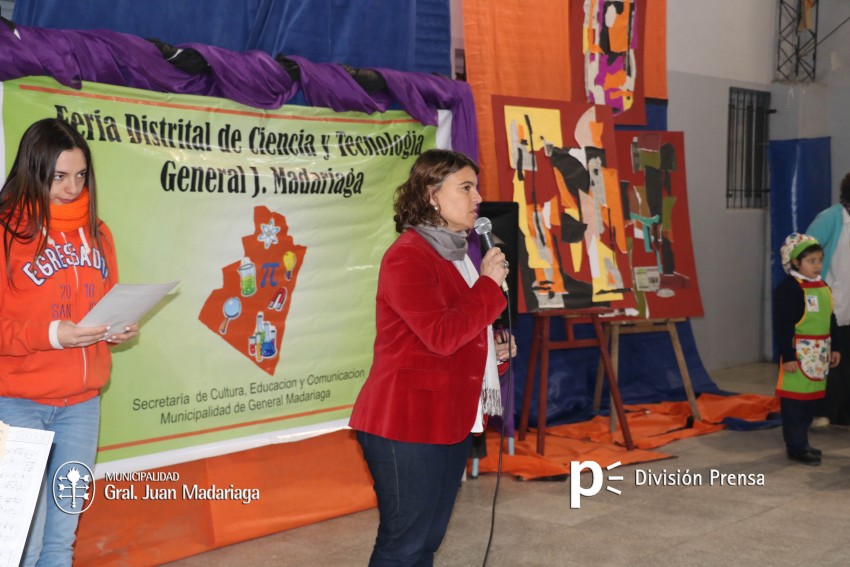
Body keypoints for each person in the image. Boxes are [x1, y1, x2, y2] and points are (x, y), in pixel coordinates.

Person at [349, 149, 515, 566]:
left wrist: (493, 352)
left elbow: (458, 335)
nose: (478, 197)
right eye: (466, 187)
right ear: (431, 195)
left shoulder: (459, 256)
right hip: (405, 424)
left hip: (448, 421)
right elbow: (441, 336)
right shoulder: (408, 255)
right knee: (403, 546)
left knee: (428, 541)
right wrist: (491, 287)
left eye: (476, 186)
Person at [0, 118, 138, 566]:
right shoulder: (5, 233)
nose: (72, 187)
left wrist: (115, 328)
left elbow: (106, 304)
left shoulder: (100, 234)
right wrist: (50, 335)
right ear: (32, 170)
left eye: (80, 175)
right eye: (59, 176)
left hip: (82, 407)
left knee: (61, 539)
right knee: (24, 542)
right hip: (18, 404)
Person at [774, 233, 841, 465]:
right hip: (798, 356)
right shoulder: (789, 289)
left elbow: (831, 319)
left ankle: (802, 443)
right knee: (794, 406)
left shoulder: (823, 287)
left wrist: (836, 347)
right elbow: (783, 326)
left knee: (809, 403)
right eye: (811, 261)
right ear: (795, 262)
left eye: (819, 260)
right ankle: (796, 447)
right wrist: (788, 356)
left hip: (819, 355)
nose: (817, 265)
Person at [806, 173, 850, 427]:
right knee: (831, 359)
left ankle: (844, 413)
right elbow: (801, 254)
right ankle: (823, 411)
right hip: (831, 302)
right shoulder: (830, 218)